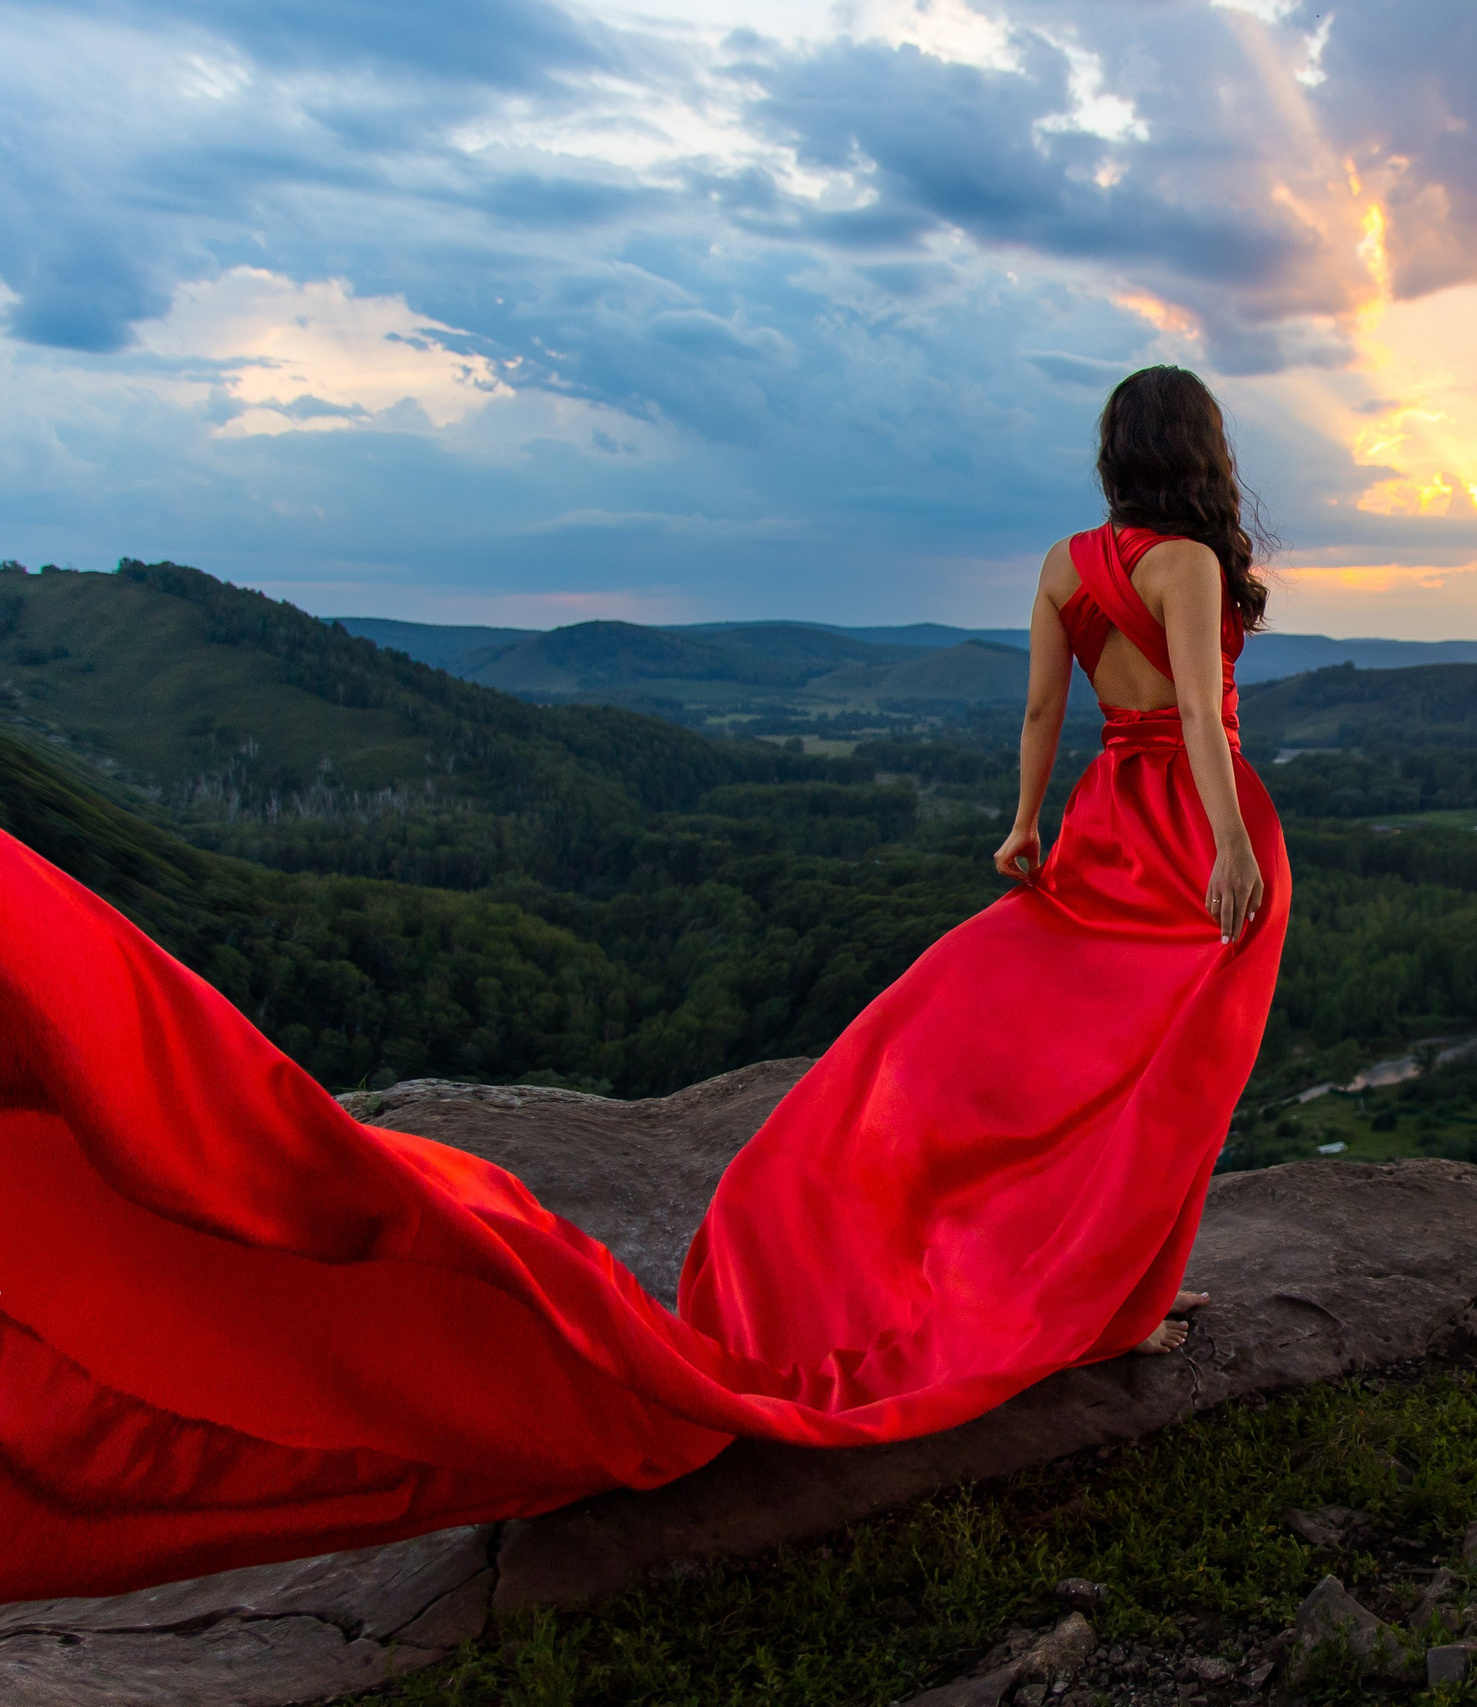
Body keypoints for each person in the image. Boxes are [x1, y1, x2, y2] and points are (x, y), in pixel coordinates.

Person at [0, 365, 1291, 1603]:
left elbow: (1037, 716)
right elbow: (1202, 716)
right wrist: (1231, 851)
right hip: (1191, 830)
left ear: (1116, 454)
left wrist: (1020, 827)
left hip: (1098, 821)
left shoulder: (1071, 563)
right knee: (1171, 1078)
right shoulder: (1186, 564)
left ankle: (1092, 1286)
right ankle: (1119, 1307)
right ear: (1202, 455)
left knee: (1076, 1057)